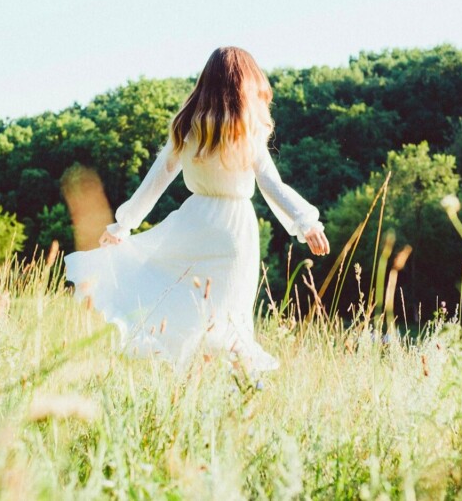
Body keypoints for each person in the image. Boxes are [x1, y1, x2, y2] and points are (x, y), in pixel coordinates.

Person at [64, 46, 330, 372]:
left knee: (183, 301)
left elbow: (156, 180)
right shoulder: (247, 133)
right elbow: (272, 186)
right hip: (234, 232)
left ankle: (190, 375)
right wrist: (306, 222)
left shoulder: (187, 130)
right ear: (246, 88)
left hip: (194, 222)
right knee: (231, 314)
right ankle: (238, 381)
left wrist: (124, 224)